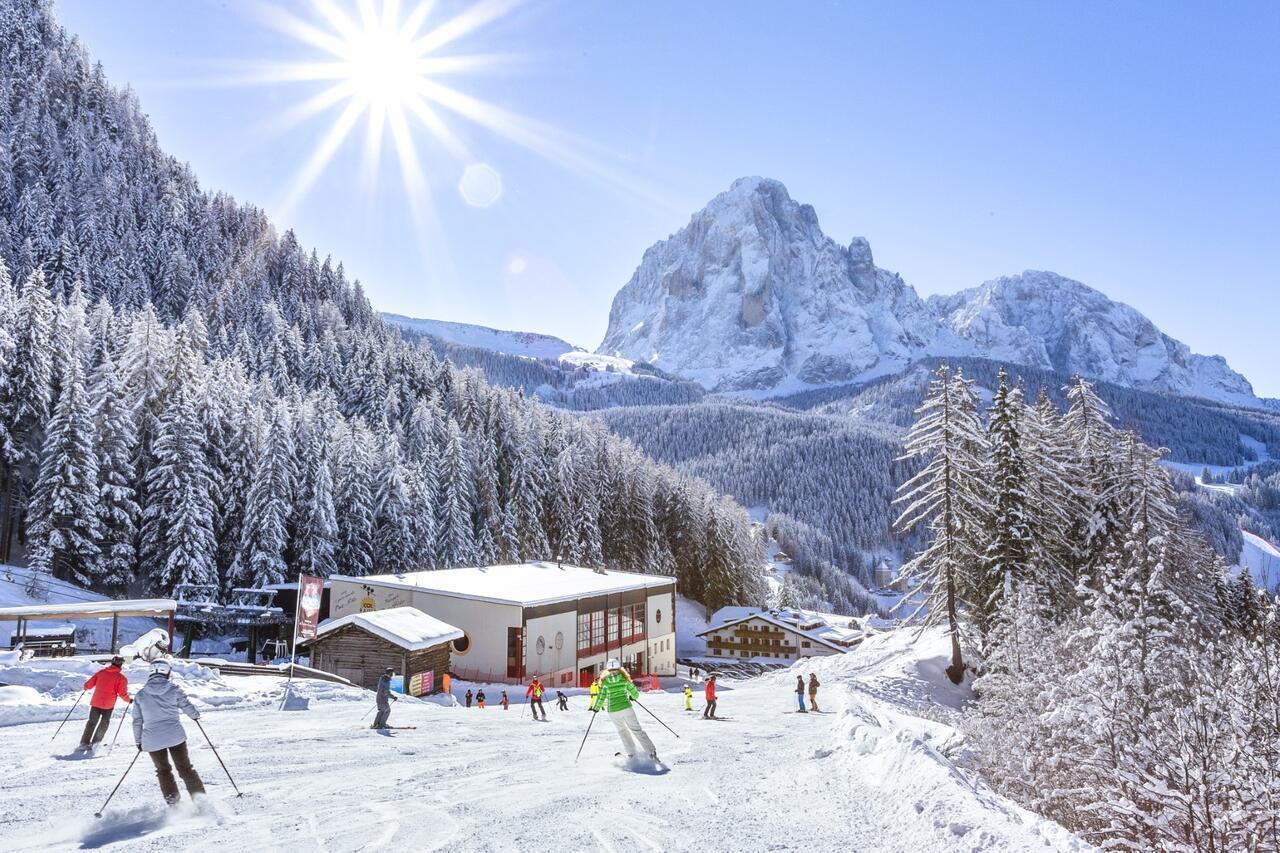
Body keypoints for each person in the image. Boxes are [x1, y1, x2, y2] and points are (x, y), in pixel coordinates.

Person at [132, 661, 206, 806]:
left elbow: (137, 721)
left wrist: (138, 741)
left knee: (163, 770)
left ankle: (174, 804)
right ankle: (201, 802)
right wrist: (195, 715)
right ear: (167, 672)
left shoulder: (141, 694)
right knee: (185, 769)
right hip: (175, 736)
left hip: (152, 739)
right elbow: (186, 705)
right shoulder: (174, 689)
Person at [591, 658, 658, 762]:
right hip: (626, 708)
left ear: (608, 670)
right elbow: (635, 693)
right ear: (619, 668)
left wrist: (596, 708)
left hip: (613, 711)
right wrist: (633, 697)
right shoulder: (624, 679)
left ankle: (631, 754)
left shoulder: (604, 683)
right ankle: (651, 752)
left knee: (622, 731)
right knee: (636, 730)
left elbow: (601, 697)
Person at [78, 656, 132, 751]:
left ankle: (84, 743)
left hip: (96, 702)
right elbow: (122, 693)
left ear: (112, 663)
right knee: (104, 723)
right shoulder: (121, 677)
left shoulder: (101, 672)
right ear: (121, 664)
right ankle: (95, 743)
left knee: (91, 722)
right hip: (108, 705)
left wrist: (86, 687)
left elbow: (89, 683)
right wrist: (129, 700)